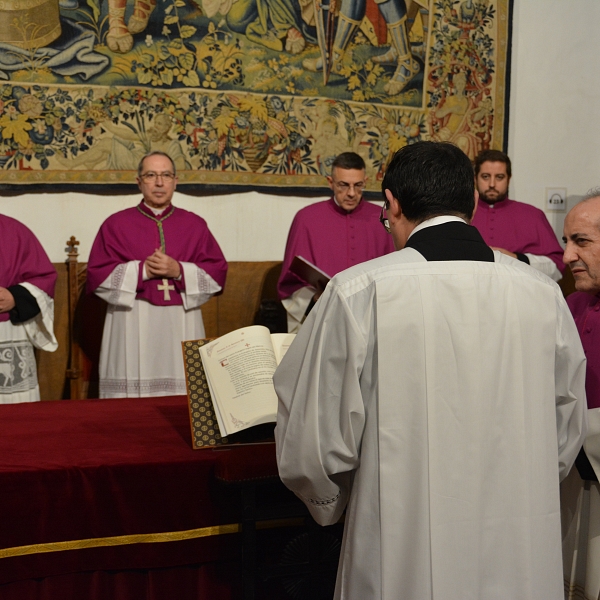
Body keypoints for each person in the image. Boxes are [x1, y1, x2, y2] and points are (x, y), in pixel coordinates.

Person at [274, 141, 587, 600]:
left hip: (401, 538)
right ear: (474, 202)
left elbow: (313, 437)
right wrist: (522, 481)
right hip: (518, 538)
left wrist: (331, 506)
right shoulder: (542, 293)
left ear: (392, 202)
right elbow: (567, 420)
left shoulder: (360, 290)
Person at [87, 151, 227, 398]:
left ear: (176, 180)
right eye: (151, 175)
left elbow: (216, 273)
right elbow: (98, 275)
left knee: (184, 399)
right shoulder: (116, 224)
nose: (159, 182)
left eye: (166, 175)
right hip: (131, 317)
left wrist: (180, 270)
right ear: (139, 181)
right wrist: (141, 271)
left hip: (181, 317)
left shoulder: (195, 224)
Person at [277, 152, 394, 332]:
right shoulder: (306, 219)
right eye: (343, 185)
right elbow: (291, 282)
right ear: (330, 182)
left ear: (366, 181)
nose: (351, 193)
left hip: (370, 319)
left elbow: (393, 275)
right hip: (322, 317)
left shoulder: (383, 218)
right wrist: (314, 296)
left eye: (358, 185)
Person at [561, 191, 600, 600]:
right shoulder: (570, 304)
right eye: (566, 243)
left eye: (581, 241)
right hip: (571, 487)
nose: (568, 256)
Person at [471, 149, 565, 281]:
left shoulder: (533, 215)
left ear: (508, 179)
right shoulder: (459, 213)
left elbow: (557, 267)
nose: (492, 184)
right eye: (485, 176)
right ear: (475, 178)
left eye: (499, 177)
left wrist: (516, 258)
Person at [0, 215, 57, 403]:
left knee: (16, 420)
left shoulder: (14, 230)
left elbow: (44, 279)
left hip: (7, 330)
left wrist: (15, 297)